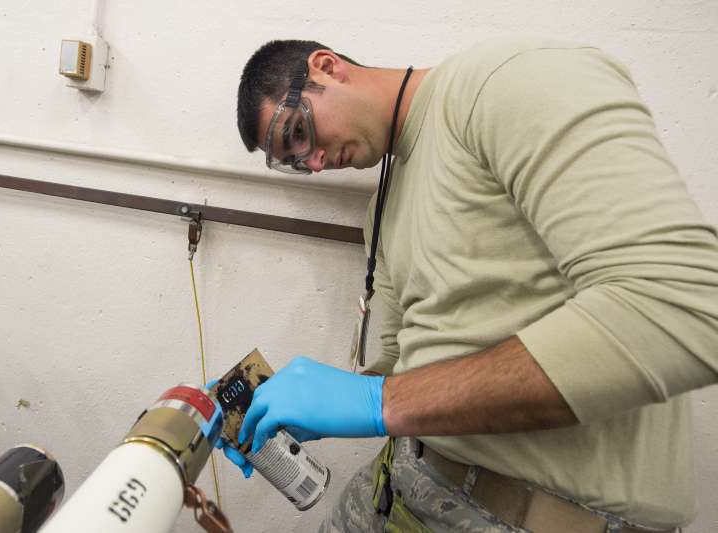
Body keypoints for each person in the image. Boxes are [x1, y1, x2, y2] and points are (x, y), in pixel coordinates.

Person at [223, 36, 718, 532]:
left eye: (298, 133)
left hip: (533, 513)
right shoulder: (383, 209)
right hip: (402, 483)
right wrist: (300, 407)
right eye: (291, 161)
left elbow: (684, 307)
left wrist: (380, 404)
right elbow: (402, 375)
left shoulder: (505, 85)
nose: (312, 163)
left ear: (327, 68)